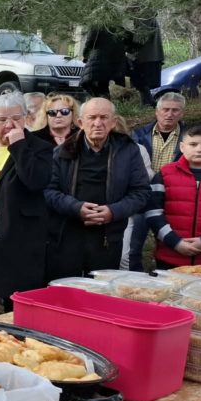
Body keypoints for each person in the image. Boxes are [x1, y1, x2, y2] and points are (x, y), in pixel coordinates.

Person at [44, 98, 151, 280]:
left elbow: (141, 192)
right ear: (80, 122)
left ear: (113, 122)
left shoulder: (128, 151)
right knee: (67, 291)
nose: (97, 123)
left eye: (104, 117)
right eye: (92, 117)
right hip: (67, 235)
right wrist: (76, 208)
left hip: (108, 237)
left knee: (101, 293)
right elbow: (49, 191)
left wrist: (113, 211)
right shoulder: (62, 152)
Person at [0, 92, 53, 317]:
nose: (9, 124)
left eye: (16, 118)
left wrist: (18, 146)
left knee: (16, 308)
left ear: (26, 119)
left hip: (19, 238)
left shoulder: (40, 148)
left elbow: (35, 181)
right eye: (2, 119)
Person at [126, 92, 188, 270]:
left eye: (175, 110)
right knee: (133, 247)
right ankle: (135, 283)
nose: (169, 114)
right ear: (157, 111)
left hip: (174, 197)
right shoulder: (137, 135)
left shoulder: (188, 138)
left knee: (172, 245)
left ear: (182, 113)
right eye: (165, 109)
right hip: (142, 196)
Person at [146, 122, 201, 269]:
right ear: (182, 147)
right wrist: (175, 242)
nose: (199, 149)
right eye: (193, 144)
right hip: (170, 256)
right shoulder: (165, 174)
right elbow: (153, 213)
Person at [80, 26, 129, 98]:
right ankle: (117, 105)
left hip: (100, 59)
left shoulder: (97, 24)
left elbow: (90, 41)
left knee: (100, 87)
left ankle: (103, 103)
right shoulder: (120, 26)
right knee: (119, 87)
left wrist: (85, 54)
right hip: (117, 60)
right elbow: (127, 41)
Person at [129, 13, 164, 108]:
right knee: (141, 82)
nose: (128, 16)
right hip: (148, 56)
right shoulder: (146, 16)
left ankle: (148, 103)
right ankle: (148, 103)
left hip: (147, 56)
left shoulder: (144, 17)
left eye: (128, 11)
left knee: (142, 81)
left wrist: (126, 39)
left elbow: (140, 39)